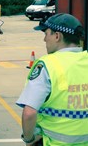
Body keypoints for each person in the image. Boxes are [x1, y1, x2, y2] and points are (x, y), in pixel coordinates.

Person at [16, 13, 88, 146]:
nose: (44, 39)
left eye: (46, 34)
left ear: (57, 36)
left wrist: (29, 139)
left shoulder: (47, 65)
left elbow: (29, 113)